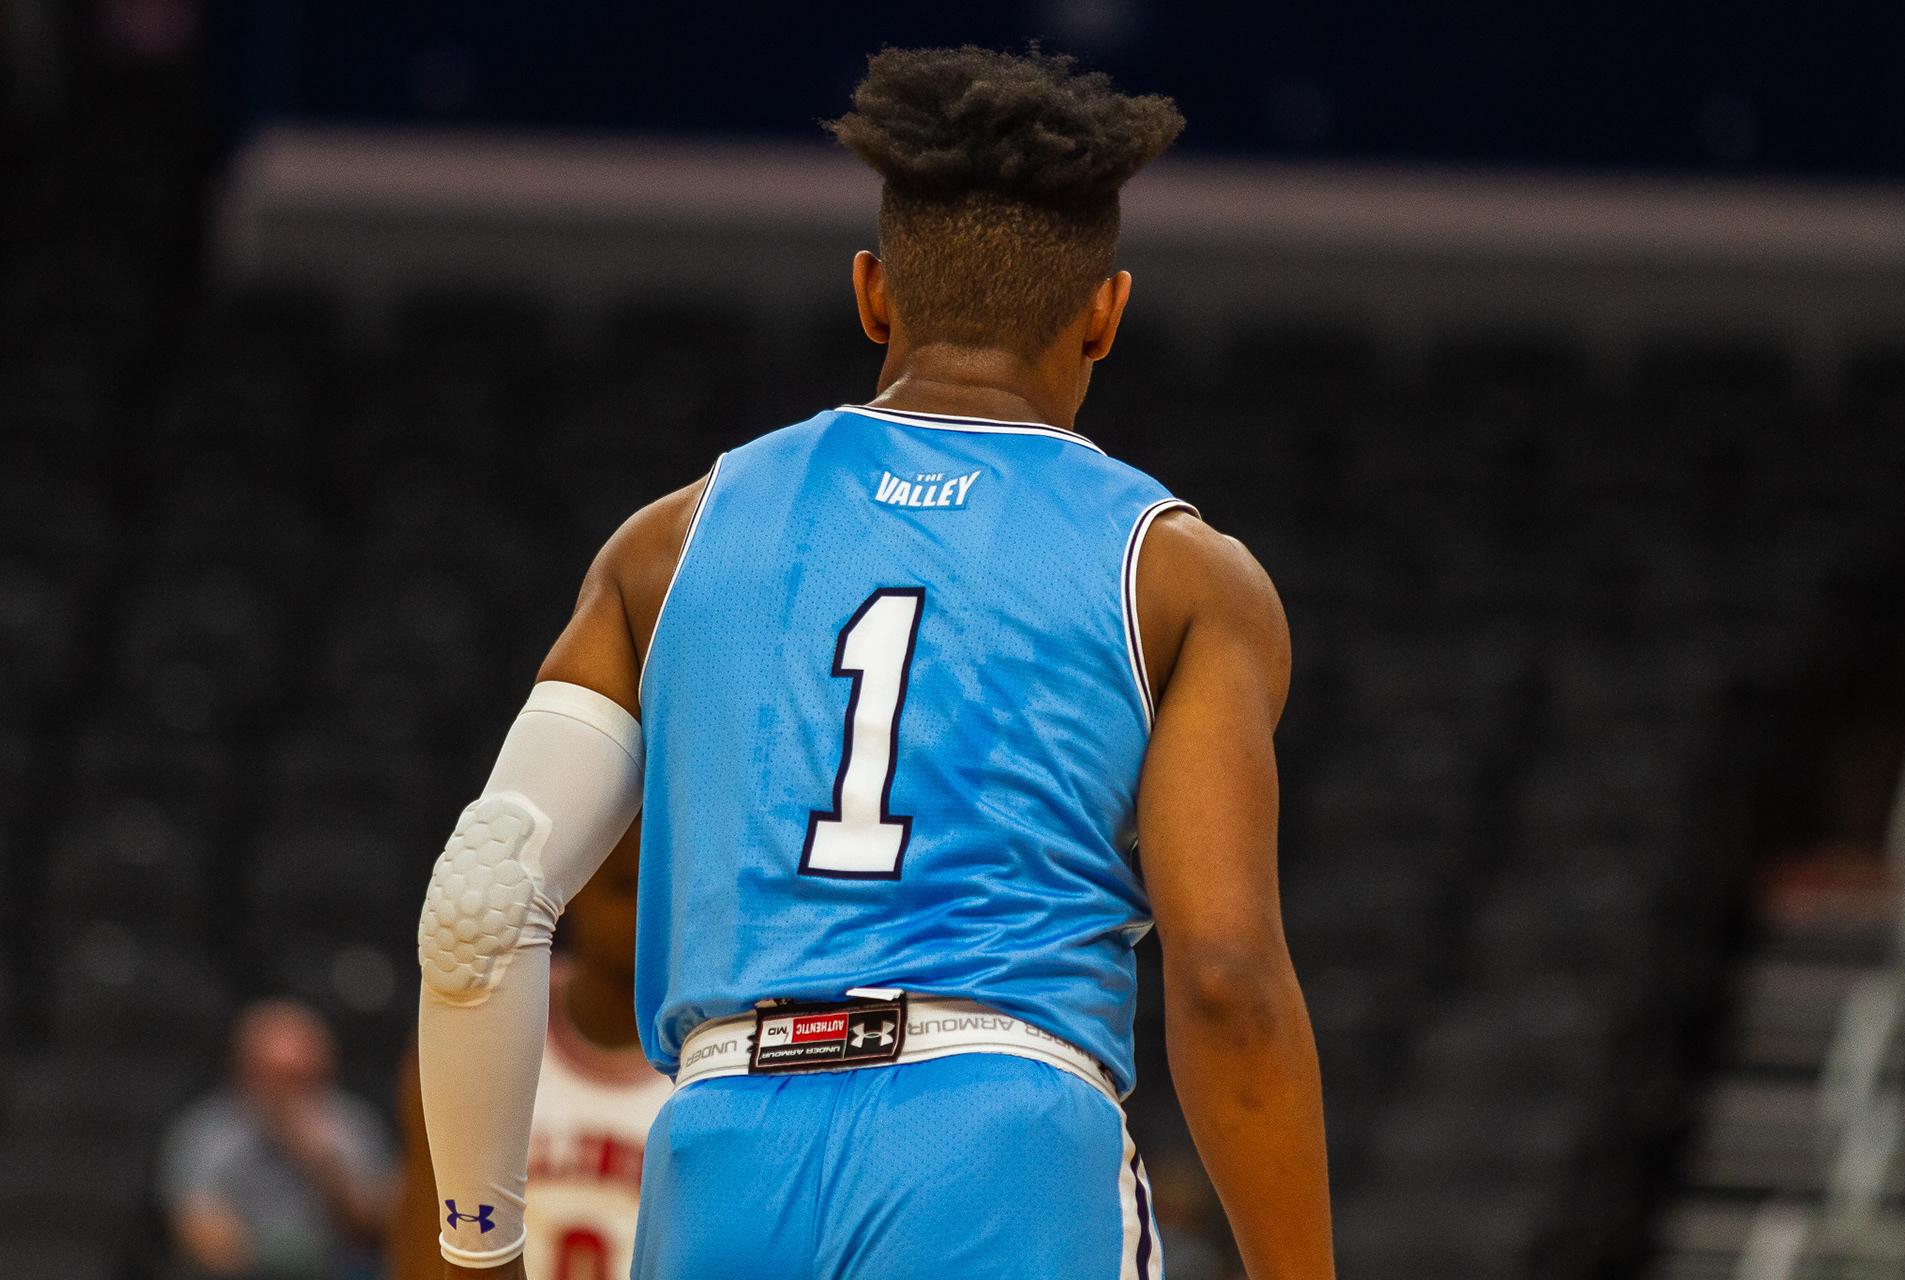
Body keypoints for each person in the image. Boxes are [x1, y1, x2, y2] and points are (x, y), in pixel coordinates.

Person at [414, 45, 1334, 1280]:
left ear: (872, 293)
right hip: (1001, 1140)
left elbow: (480, 901)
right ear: (1106, 312)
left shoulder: (669, 542)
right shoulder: (1178, 574)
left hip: (725, 1152)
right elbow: (1222, 975)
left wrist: (479, 1249)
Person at [391, 822, 671, 1280]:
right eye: (624, 886)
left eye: (662, 892)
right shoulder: (476, 1028)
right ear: (572, 880)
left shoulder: (729, 1058)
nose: (643, 913)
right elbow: (424, 1245)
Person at [158, 999, 394, 1280]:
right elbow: (201, 1238)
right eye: (275, 1078)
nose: (287, 1096)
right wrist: (274, 1255)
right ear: (245, 1073)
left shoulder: (354, 1126)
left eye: (302, 1079)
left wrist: (321, 1162)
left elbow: (380, 1226)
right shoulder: (206, 1133)